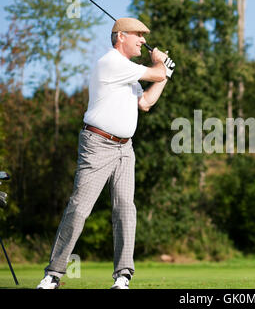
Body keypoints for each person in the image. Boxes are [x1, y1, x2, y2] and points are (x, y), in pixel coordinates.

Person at [37, 18, 174, 289]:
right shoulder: (111, 63)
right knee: (79, 208)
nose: (144, 41)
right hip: (97, 145)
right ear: (120, 36)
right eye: (139, 35)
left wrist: (165, 74)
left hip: (125, 149)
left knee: (125, 209)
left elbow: (145, 102)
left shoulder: (129, 73)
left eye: (144, 37)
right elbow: (155, 74)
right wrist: (161, 64)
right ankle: (53, 275)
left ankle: (123, 276)